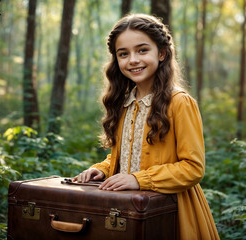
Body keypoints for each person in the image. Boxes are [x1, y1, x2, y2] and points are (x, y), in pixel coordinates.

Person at [72, 13, 219, 240]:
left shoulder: (179, 102)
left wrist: (139, 179)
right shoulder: (123, 104)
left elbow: (193, 168)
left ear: (161, 53)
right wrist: (102, 169)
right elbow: (127, 158)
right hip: (129, 211)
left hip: (171, 211)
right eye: (124, 54)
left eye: (142, 50)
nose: (133, 60)